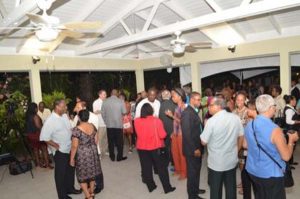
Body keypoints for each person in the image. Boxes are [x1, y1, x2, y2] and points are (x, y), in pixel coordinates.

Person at [244, 94, 299, 199]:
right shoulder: (275, 129)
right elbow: (286, 156)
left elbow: (245, 145)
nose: (276, 108)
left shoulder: (249, 124)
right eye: (274, 106)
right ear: (270, 108)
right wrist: (291, 140)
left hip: (253, 171)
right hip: (270, 174)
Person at [200, 97, 244, 199]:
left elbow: (203, 142)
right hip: (231, 160)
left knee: (215, 189)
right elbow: (241, 136)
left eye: (210, 105)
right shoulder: (235, 117)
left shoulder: (211, 121)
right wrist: (237, 149)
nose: (208, 108)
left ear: (218, 106)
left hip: (216, 162)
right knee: (231, 188)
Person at [40, 99, 81, 199]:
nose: (66, 107)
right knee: (60, 174)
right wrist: (55, 145)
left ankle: (70, 188)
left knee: (70, 170)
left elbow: (68, 128)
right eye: (64, 106)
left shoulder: (64, 115)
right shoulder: (50, 120)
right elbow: (44, 137)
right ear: (57, 107)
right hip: (60, 151)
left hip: (70, 147)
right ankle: (62, 196)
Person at [134, 103, 176, 194]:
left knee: (146, 167)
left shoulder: (136, 121)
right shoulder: (156, 121)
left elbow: (138, 133)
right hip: (155, 147)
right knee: (162, 168)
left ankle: (151, 186)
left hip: (141, 148)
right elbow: (162, 135)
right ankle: (167, 188)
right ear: (151, 111)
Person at [70, 110, 102, 199]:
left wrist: (72, 158)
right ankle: (92, 192)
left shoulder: (76, 130)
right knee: (92, 173)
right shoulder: (93, 126)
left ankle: (88, 196)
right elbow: (96, 141)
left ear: (79, 117)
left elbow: (74, 146)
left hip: (82, 154)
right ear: (88, 117)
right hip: (93, 152)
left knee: (82, 175)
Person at [181, 92, 205, 199]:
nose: (200, 102)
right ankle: (192, 195)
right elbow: (186, 134)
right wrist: (195, 148)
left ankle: (195, 189)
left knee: (196, 170)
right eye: (198, 100)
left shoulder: (193, 111)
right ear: (191, 100)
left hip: (197, 146)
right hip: (192, 149)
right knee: (192, 172)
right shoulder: (187, 113)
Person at [166, 88, 187, 180]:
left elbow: (184, 122)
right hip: (176, 133)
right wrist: (173, 132)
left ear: (180, 96)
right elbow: (176, 122)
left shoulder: (184, 107)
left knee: (182, 154)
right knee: (175, 153)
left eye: (173, 95)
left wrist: (171, 116)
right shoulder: (176, 107)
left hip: (182, 134)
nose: (172, 97)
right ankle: (178, 170)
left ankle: (184, 172)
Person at [232, 92, 251, 198]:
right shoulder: (233, 112)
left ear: (245, 100)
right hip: (235, 141)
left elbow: (250, 128)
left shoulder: (248, 112)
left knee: (245, 164)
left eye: (241, 99)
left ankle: (245, 185)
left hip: (245, 142)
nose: (239, 102)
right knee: (240, 163)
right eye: (237, 100)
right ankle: (243, 182)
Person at [102, 89, 127, 162]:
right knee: (120, 142)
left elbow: (103, 113)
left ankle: (112, 157)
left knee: (110, 142)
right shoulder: (120, 101)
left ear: (111, 94)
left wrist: (106, 121)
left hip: (109, 125)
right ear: (117, 94)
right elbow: (124, 112)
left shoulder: (105, 101)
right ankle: (119, 157)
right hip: (118, 125)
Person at [25, 102, 51, 168]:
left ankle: (38, 165)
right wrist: (44, 130)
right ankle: (47, 165)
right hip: (37, 134)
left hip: (30, 135)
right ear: (34, 108)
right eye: (36, 107)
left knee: (35, 149)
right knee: (44, 148)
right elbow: (38, 126)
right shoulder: (35, 116)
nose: (37, 109)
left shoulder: (27, 116)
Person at [159, 89, 176, 165]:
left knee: (165, 145)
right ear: (170, 96)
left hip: (162, 129)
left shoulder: (159, 105)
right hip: (172, 129)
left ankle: (166, 161)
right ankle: (173, 161)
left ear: (162, 97)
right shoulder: (174, 104)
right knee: (173, 146)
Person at [283, 95, 300, 167]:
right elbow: (288, 121)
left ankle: (291, 162)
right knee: (289, 146)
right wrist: (297, 122)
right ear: (290, 101)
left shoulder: (291, 108)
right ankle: (288, 164)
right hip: (291, 130)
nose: (295, 101)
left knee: (292, 146)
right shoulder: (289, 110)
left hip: (293, 129)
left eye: (295, 100)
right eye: (294, 100)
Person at [93, 90, 108, 157]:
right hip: (100, 123)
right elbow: (95, 112)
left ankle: (104, 151)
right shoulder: (96, 102)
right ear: (100, 95)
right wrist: (103, 110)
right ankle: (99, 153)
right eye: (104, 94)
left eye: (105, 94)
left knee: (106, 138)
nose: (105, 95)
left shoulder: (106, 101)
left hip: (107, 123)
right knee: (100, 139)